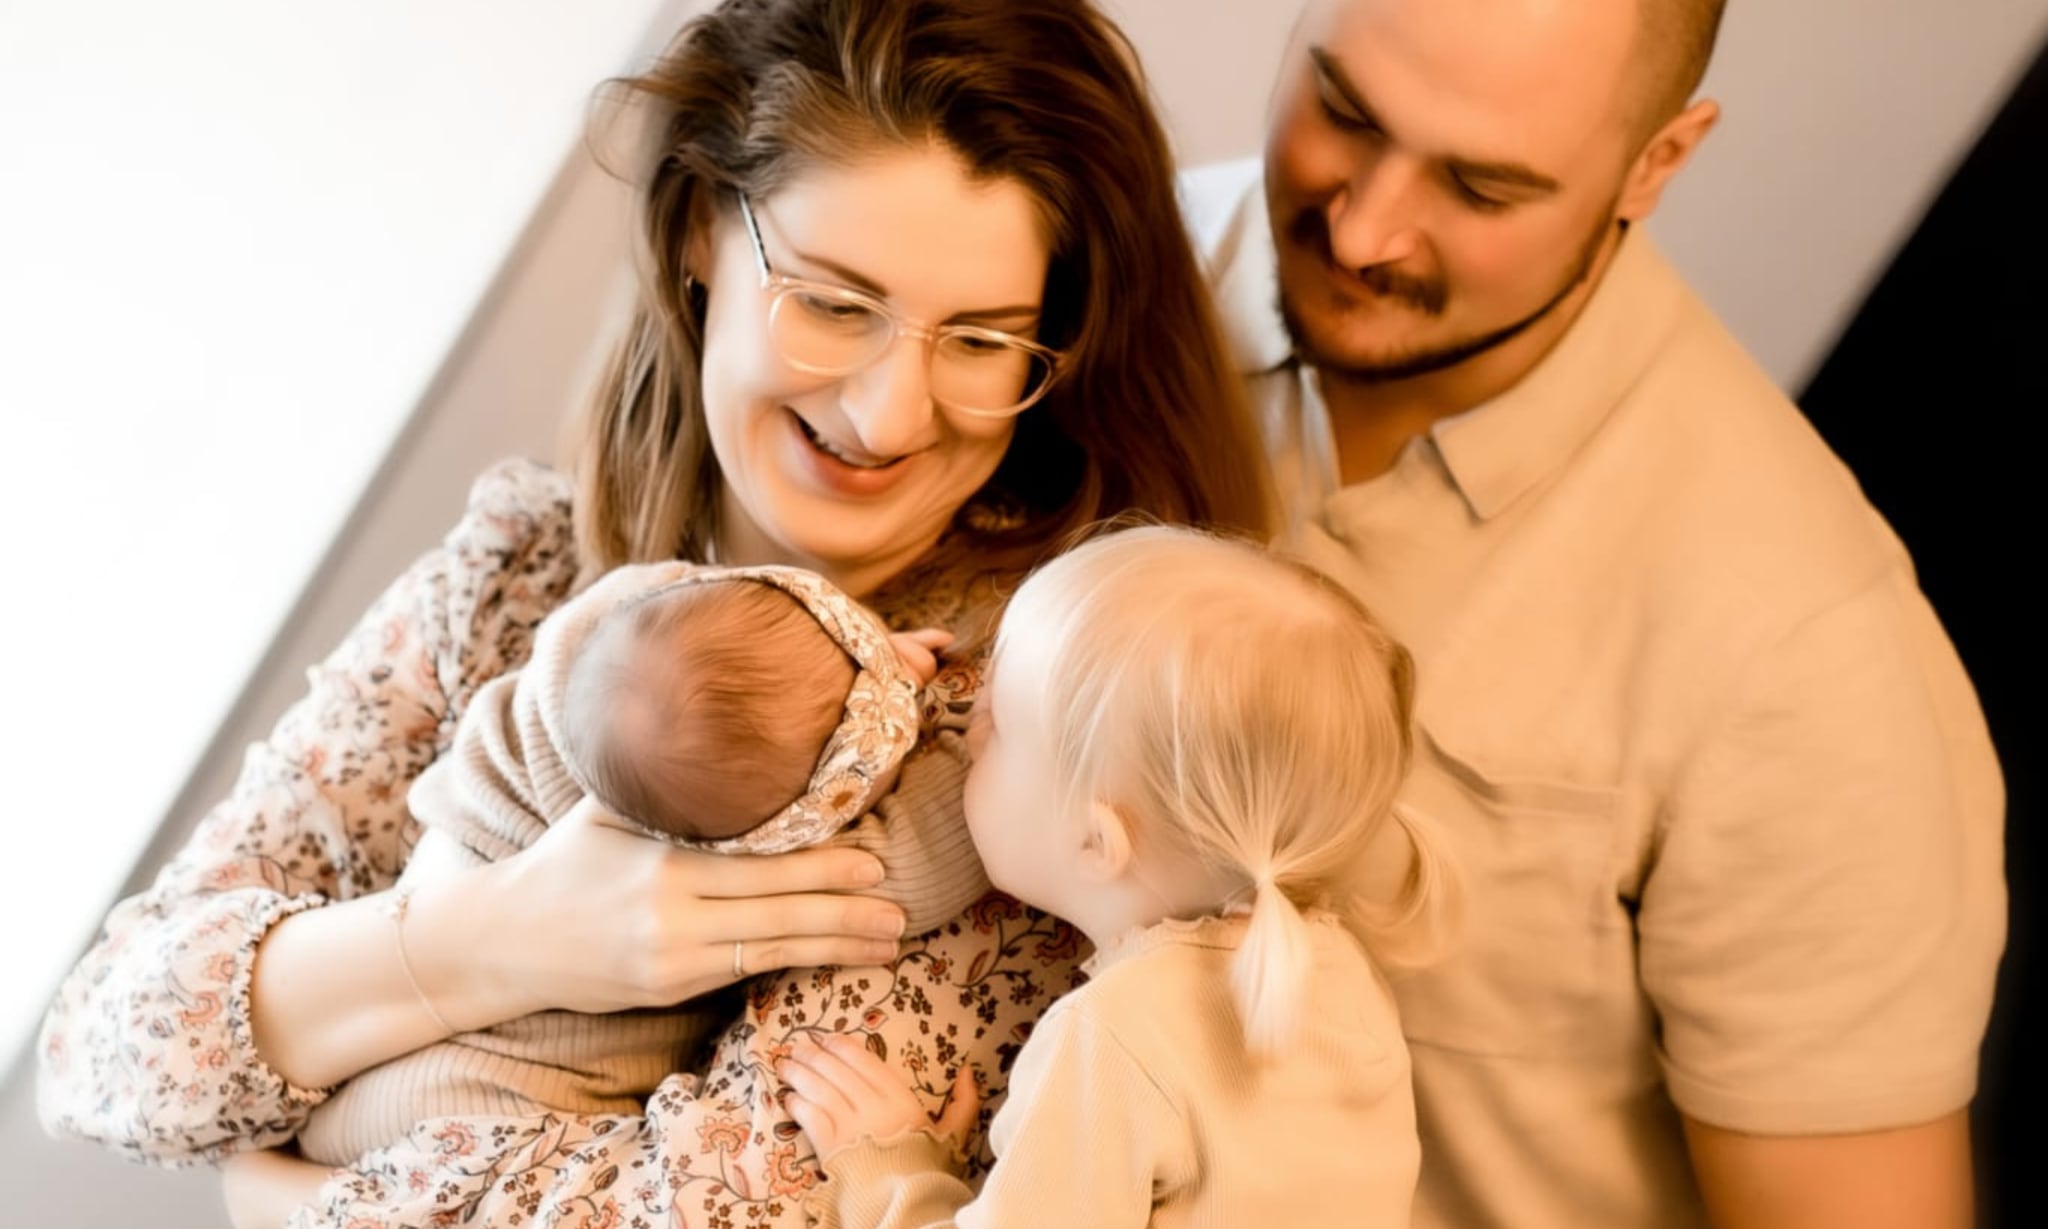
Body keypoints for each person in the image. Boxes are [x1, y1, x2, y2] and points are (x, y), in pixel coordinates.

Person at [35, 1, 1271, 1226]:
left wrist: (277, 1197)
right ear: (696, 229)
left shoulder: (1042, 710)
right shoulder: (516, 568)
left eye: (981, 339)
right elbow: (102, 1043)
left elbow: (726, 1206)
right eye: (835, 302)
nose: (892, 413)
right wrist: (491, 938)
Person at [1179, 1, 2006, 1226]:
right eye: (1343, 110)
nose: (1362, 229)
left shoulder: (1808, 653)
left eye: (1480, 185)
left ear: (1655, 165)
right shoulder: (1076, 267)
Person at [779, 524, 1458, 1228]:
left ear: (1099, 842)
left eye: (1000, 725)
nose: (966, 725)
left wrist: (891, 1169)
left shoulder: (1113, 1035)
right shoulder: (1346, 982)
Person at [294, 559, 979, 1168]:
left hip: (354, 1058)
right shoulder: (744, 875)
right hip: (482, 1107)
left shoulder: (600, 645)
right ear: (774, 838)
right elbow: (915, 858)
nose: (900, 663)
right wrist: (968, 736)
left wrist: (868, 663)